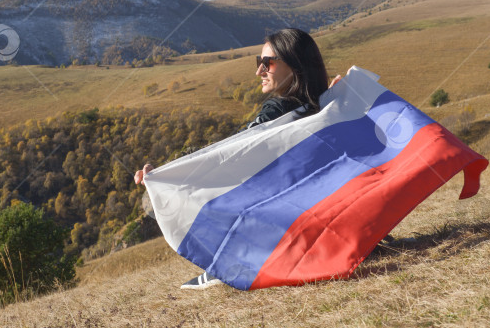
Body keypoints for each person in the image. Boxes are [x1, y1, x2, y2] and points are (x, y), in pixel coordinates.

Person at [134, 28, 340, 290]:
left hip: (274, 219)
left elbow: (229, 152)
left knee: (159, 202)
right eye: (259, 62)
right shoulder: (325, 107)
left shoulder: (278, 110)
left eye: (268, 63)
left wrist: (167, 173)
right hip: (313, 219)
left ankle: (229, 260)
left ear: (295, 65)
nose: (259, 71)